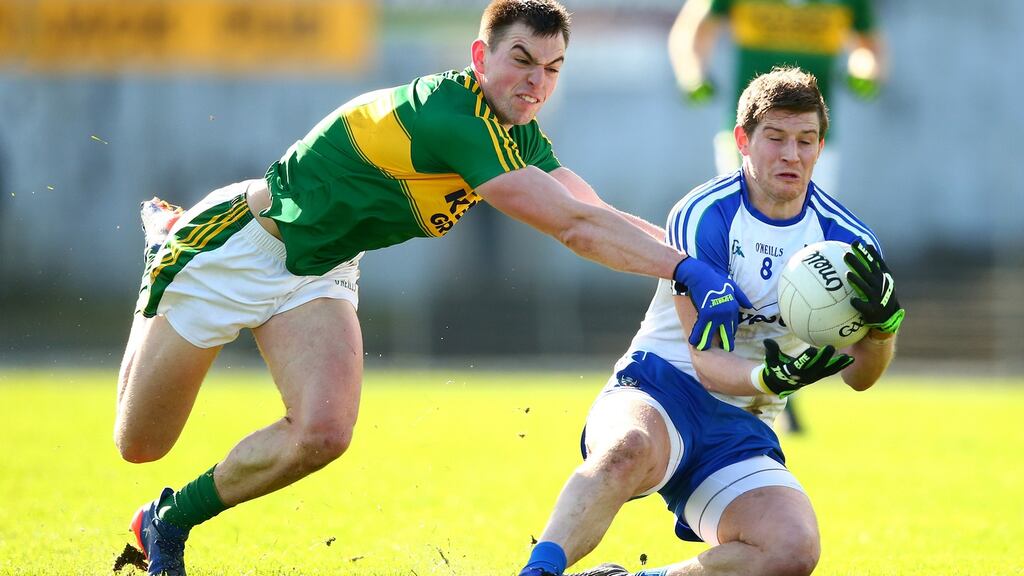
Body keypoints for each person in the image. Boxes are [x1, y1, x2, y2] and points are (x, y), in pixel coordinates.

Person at [114, 2, 751, 575]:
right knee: (140, 445)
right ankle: (175, 238)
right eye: (521, 60)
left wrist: (695, 262)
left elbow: (592, 207)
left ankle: (166, 522)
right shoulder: (454, 117)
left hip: (317, 272)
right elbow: (573, 227)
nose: (536, 82)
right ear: (480, 56)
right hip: (240, 248)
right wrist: (683, 271)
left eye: (553, 68)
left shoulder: (517, 132)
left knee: (323, 434)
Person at [517, 67, 905, 576]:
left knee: (791, 549)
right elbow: (704, 361)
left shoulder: (850, 245)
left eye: (805, 140)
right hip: (660, 387)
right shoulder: (703, 215)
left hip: (742, 423)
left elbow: (861, 377)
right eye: (776, 138)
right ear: (743, 139)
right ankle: (538, 571)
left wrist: (881, 332)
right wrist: (767, 378)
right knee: (625, 449)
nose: (792, 154)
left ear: (820, 145)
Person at [668, 0, 886, 195]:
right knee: (745, 219)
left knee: (810, 226)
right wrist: (692, 73)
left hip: (813, 138)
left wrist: (865, 71)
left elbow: (870, 47)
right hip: (752, 134)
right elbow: (693, 30)